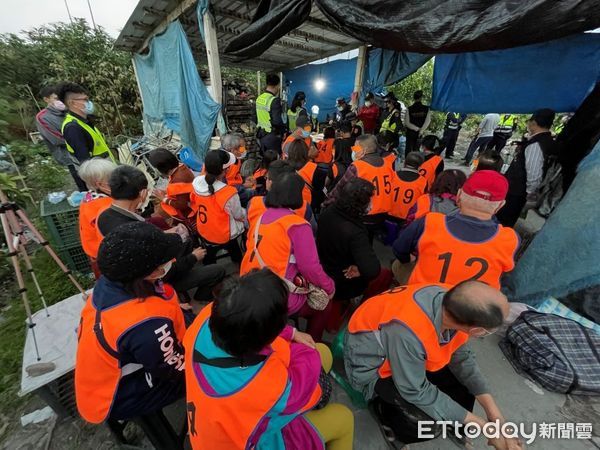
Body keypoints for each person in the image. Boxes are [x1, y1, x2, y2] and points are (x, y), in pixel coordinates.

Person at [183, 269, 354, 449]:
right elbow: (305, 394)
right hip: (256, 440)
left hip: (217, 425)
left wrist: (292, 333)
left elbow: (248, 318)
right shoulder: (265, 385)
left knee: (320, 353)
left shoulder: (207, 317)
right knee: (343, 418)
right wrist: (301, 348)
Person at [344, 281, 521, 450]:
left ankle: (456, 421)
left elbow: (461, 357)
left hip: (403, 352)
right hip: (374, 366)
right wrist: (485, 428)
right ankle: (386, 417)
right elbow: (415, 390)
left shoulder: (452, 299)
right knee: (425, 424)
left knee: (463, 390)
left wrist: (494, 414)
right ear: (476, 331)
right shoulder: (409, 330)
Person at [75, 222, 187, 423]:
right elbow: (173, 369)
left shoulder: (111, 281)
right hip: (116, 395)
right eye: (165, 260)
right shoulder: (146, 324)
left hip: (104, 373)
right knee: (204, 374)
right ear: (153, 273)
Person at [97, 165, 226, 303]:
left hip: (148, 272)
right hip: (159, 282)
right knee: (218, 270)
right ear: (142, 193)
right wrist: (193, 257)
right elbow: (164, 271)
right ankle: (198, 296)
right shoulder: (133, 232)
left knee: (186, 241)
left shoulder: (105, 217)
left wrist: (165, 234)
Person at [240, 170, 335, 341]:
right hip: (276, 297)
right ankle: (312, 344)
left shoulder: (261, 217)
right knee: (325, 305)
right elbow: (310, 268)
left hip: (248, 286)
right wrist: (329, 287)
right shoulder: (297, 225)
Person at [393, 170, 519, 288]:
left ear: (459, 195)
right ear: (500, 205)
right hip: (468, 309)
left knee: (397, 265)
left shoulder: (429, 222)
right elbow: (505, 275)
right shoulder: (510, 239)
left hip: (420, 297)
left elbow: (399, 249)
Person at [317, 178, 393, 311]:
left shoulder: (328, 211)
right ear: (359, 204)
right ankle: (364, 308)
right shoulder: (355, 232)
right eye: (369, 200)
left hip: (324, 266)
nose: (371, 203)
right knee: (385, 274)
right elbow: (372, 270)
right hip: (343, 280)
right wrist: (360, 270)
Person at [497, 109, 556, 227]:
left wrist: (529, 195)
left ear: (534, 123)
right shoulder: (546, 140)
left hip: (517, 192)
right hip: (518, 191)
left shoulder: (536, 144)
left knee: (503, 221)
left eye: (529, 121)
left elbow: (534, 174)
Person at [190, 150, 246, 264]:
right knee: (244, 220)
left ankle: (210, 265)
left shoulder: (196, 182)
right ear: (225, 171)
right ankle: (238, 260)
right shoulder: (229, 192)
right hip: (223, 234)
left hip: (203, 229)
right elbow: (238, 215)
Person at [324, 135, 393, 222]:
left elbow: (340, 188)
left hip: (364, 214)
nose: (353, 151)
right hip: (384, 214)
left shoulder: (358, 166)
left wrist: (326, 202)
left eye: (355, 148)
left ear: (363, 151)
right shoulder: (388, 164)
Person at [35, 84, 87, 191]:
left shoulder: (69, 111)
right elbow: (56, 139)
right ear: (46, 99)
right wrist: (79, 140)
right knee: (84, 183)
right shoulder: (43, 117)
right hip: (69, 155)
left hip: (85, 151)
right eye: (56, 98)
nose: (60, 101)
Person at [247, 160, 316, 230]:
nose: (266, 181)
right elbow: (312, 229)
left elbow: (249, 226)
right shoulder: (304, 207)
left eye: (266, 178)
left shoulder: (253, 203)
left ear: (270, 182)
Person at [57, 82, 116, 163]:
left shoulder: (84, 121)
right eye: (85, 99)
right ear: (72, 103)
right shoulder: (72, 128)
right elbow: (85, 163)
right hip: (99, 173)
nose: (89, 103)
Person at [77, 158, 117, 277]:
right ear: (100, 184)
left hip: (93, 250)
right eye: (112, 178)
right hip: (103, 254)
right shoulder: (102, 205)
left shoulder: (89, 197)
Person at [147, 148, 195, 222]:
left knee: (154, 218)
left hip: (187, 212)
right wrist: (166, 193)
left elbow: (182, 205)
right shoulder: (181, 167)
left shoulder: (178, 180)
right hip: (185, 200)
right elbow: (182, 192)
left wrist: (163, 198)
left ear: (161, 168)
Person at [287, 139, 328, 213]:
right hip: (307, 208)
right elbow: (320, 192)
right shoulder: (314, 169)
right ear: (306, 151)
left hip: (287, 206)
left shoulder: (284, 168)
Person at [389, 152, 427, 222]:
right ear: (419, 167)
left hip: (388, 215)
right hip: (407, 219)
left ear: (404, 163)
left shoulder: (392, 175)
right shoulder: (423, 181)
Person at [256, 73, 285, 154]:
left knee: (265, 159)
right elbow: (277, 121)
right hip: (272, 137)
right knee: (274, 162)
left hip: (261, 135)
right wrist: (283, 130)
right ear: (277, 86)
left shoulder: (259, 98)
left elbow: (254, 117)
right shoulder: (274, 100)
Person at [404, 90, 431, 155]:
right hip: (419, 133)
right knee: (417, 150)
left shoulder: (409, 109)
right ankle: (416, 164)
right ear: (421, 98)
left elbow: (407, 123)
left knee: (408, 150)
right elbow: (428, 121)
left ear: (414, 98)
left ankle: (407, 163)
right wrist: (421, 130)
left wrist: (416, 128)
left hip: (410, 132)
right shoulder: (426, 109)